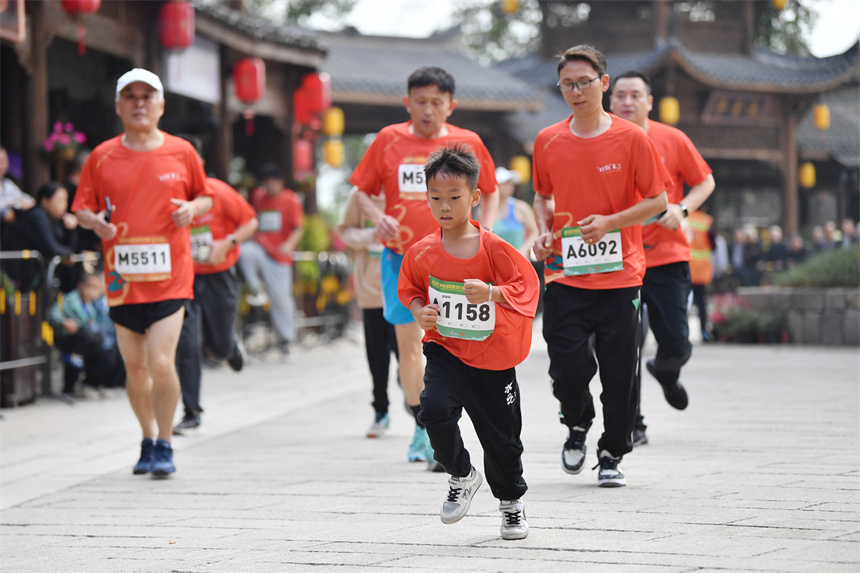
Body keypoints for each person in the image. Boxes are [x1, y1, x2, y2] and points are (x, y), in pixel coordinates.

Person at [531, 45, 669, 487]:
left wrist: (611, 221)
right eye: (567, 84)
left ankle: (612, 452)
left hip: (621, 275)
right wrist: (543, 229)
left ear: (603, 84)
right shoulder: (547, 140)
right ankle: (576, 422)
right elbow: (542, 195)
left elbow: (658, 200)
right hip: (564, 273)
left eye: (584, 82)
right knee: (566, 366)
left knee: (618, 373)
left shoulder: (631, 138)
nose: (575, 91)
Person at [350, 66, 500, 466]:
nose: (428, 110)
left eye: (436, 102)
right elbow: (362, 190)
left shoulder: (468, 141)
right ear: (407, 103)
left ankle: (456, 420)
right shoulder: (388, 139)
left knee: (459, 346)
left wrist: (488, 233)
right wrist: (377, 217)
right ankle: (425, 427)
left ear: (450, 104)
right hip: (403, 259)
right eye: (420, 102)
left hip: (457, 262)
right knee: (411, 347)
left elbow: (492, 191)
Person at [72, 68, 212, 478]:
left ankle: (166, 443)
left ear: (161, 105)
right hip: (122, 279)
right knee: (135, 368)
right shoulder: (101, 156)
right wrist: (94, 222)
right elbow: (81, 207)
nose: (138, 103)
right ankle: (148, 437)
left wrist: (191, 210)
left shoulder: (182, 152)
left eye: (146, 96)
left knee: (161, 362)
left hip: (172, 276)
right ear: (118, 106)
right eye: (129, 96)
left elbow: (205, 195)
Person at [398, 144, 539, 540]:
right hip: (446, 350)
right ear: (425, 198)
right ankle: (461, 474)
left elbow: (527, 286)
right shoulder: (422, 252)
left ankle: (512, 503)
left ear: (475, 197)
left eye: (455, 197)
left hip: (493, 361)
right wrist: (418, 310)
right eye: (436, 198)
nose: (445, 206)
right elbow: (410, 287)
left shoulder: (494, 247)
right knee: (433, 411)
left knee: (503, 440)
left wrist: (491, 293)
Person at [609, 70, 715, 446]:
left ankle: (667, 371)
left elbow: (705, 180)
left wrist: (683, 209)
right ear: (610, 100)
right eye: (620, 95)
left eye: (635, 95)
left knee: (677, 342)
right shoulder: (602, 143)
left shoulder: (673, 138)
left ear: (649, 102)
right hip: (620, 259)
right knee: (627, 344)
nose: (627, 102)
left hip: (669, 256)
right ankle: (632, 422)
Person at [173, 137, 259, 434]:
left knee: (218, 345)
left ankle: (229, 348)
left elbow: (250, 222)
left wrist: (228, 242)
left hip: (220, 275)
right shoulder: (169, 196)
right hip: (185, 279)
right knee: (187, 344)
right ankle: (191, 410)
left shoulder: (219, 192)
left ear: (200, 163)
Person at [336, 190, 400, 438]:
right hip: (371, 289)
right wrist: (371, 235)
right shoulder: (358, 196)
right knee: (377, 355)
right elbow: (345, 232)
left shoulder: (408, 188)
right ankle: (380, 411)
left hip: (402, 289)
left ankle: (412, 390)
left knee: (409, 352)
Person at [237, 163, 303, 359]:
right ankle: (257, 290)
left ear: (280, 182)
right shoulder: (258, 195)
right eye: (265, 183)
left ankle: (286, 341)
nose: (268, 187)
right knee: (244, 251)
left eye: (271, 183)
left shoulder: (291, 200)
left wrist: (288, 245)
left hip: (280, 257)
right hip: (261, 250)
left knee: (281, 300)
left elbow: (298, 228)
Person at [50, 270, 125, 392]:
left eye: (95, 288)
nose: (91, 291)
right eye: (89, 287)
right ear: (81, 285)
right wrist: (64, 321)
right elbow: (53, 314)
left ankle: (93, 384)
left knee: (107, 353)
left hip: (91, 341)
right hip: (71, 338)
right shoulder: (70, 299)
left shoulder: (94, 304)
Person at [2, 181, 78, 290]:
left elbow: (64, 246)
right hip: (17, 274)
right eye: (60, 201)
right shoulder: (37, 216)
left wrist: (71, 230)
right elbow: (51, 247)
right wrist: (69, 254)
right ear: (45, 201)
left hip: (32, 275)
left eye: (65, 201)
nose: (64, 205)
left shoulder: (53, 219)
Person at [492, 166, 538, 258]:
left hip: (519, 263)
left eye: (511, 184)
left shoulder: (521, 207)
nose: (509, 187)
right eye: (505, 183)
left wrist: (523, 251)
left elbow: (535, 232)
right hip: (495, 265)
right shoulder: (484, 212)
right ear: (496, 186)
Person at [686, 206, 715, 343]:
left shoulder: (684, 217)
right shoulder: (707, 221)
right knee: (701, 303)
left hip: (686, 267)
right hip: (702, 270)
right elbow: (714, 244)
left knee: (683, 302)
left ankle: (682, 334)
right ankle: (704, 332)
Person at [0, 146, 35, 223]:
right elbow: (6, 215)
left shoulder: (8, 184)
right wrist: (18, 204)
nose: (2, 165)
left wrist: (13, 204)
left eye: (4, 160)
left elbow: (30, 201)